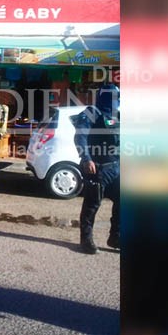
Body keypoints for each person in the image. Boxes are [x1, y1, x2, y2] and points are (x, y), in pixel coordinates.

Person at [70, 84, 120, 254]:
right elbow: (80, 136)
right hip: (96, 169)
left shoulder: (117, 114)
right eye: (112, 95)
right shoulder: (92, 112)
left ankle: (116, 237)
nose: (116, 99)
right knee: (92, 206)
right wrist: (86, 158)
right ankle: (86, 240)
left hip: (116, 168)